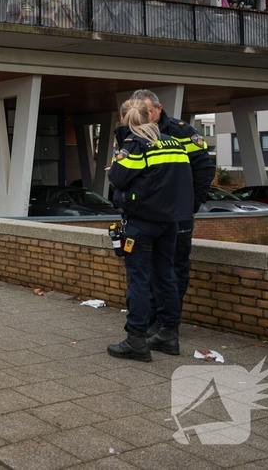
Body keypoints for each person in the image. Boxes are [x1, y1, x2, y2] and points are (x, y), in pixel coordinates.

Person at [106, 98, 193, 361]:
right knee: (166, 276)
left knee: (139, 281)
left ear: (127, 120)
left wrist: (117, 165)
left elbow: (119, 178)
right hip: (171, 222)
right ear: (150, 116)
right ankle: (169, 335)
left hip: (141, 223)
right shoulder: (175, 143)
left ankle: (136, 340)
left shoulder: (134, 145)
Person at [129, 89, 215, 347]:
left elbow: (204, 169)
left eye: (146, 112)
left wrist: (190, 205)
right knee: (151, 269)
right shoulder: (134, 131)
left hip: (177, 217)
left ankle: (166, 325)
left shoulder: (182, 131)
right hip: (150, 216)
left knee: (173, 268)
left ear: (158, 108)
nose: (143, 117)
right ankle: (154, 321)